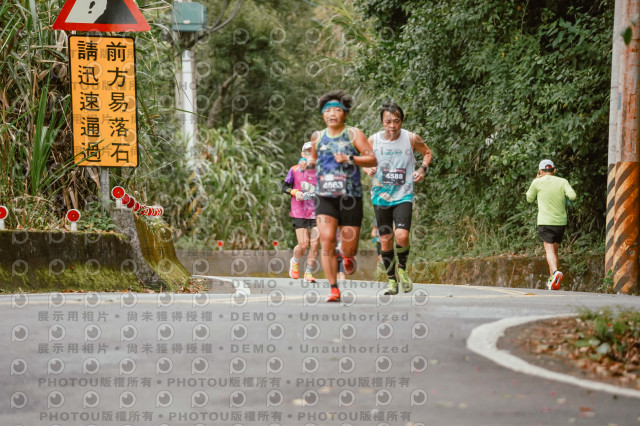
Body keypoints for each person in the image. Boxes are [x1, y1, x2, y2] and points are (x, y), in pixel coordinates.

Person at [306, 90, 377, 302]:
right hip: (324, 196)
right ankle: (333, 288)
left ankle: (346, 256)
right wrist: (309, 163)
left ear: (345, 114)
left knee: (349, 247)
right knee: (326, 240)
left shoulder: (354, 134)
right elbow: (314, 160)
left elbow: (372, 159)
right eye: (327, 111)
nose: (332, 114)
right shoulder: (317, 137)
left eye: (337, 110)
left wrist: (350, 158)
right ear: (322, 115)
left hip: (350, 197)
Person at [363, 102, 432, 295]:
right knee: (385, 239)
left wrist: (422, 169)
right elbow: (363, 160)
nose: (392, 125)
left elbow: (427, 153)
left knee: (402, 235)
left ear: (401, 121)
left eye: (396, 121)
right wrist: (367, 168)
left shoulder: (411, 138)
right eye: (388, 121)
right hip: (380, 196)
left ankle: (402, 268)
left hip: (403, 194)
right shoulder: (373, 140)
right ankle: (392, 281)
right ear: (382, 122)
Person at [526, 159, 576, 290]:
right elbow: (573, 196)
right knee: (554, 251)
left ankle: (554, 273)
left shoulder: (537, 182)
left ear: (540, 171)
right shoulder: (563, 181)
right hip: (560, 222)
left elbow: (529, 199)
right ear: (554, 170)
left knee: (549, 250)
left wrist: (536, 180)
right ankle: (553, 282)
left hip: (545, 222)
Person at [282, 142, 319, 283]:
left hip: (317, 211)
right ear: (302, 154)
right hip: (299, 211)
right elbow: (284, 187)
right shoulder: (294, 170)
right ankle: (295, 261)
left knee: (315, 243)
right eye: (307, 152)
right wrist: (294, 192)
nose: (310, 154)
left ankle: (308, 273)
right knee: (303, 244)